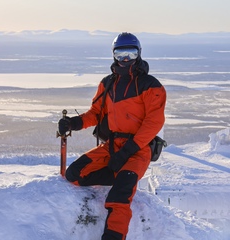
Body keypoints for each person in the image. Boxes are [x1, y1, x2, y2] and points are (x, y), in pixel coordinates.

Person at [58, 32, 166, 240]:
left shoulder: (151, 86)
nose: (125, 59)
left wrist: (127, 152)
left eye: (130, 53)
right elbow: (95, 114)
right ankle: (120, 175)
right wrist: (73, 123)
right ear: (114, 55)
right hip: (112, 146)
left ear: (139, 54)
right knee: (75, 174)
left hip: (138, 149)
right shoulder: (108, 83)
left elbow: (153, 123)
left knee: (119, 196)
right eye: (120, 53)